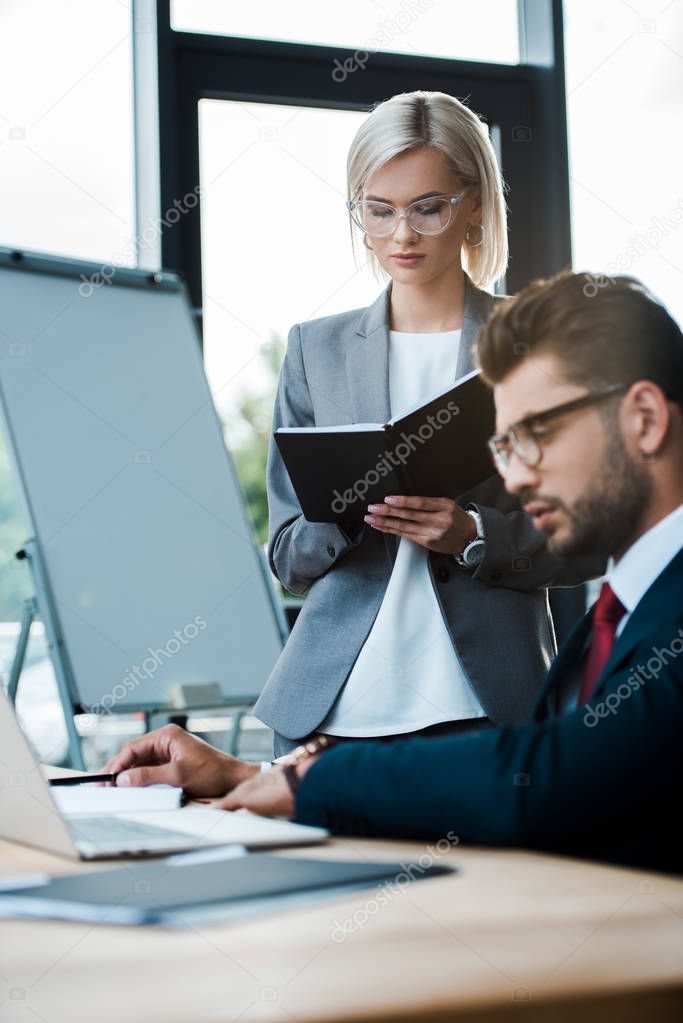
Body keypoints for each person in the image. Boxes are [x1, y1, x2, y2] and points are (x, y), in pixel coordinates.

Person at [104, 271, 683, 874]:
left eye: (535, 435)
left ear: (643, 417)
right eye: (505, 447)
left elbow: (559, 779)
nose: (513, 480)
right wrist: (252, 776)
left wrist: (314, 780)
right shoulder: (616, 621)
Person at [254, 90, 600, 757]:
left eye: (426, 208)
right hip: (330, 715)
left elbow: (583, 542)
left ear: (472, 205)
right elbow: (286, 556)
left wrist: (472, 533)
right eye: (377, 211)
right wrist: (342, 510)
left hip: (483, 711)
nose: (400, 235)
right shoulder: (313, 350)